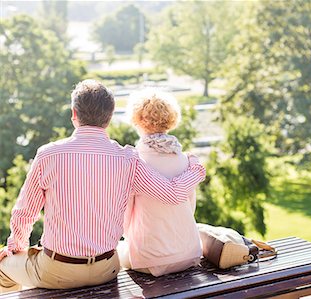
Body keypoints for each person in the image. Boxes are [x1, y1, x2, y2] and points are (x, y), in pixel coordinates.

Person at [0, 80, 206, 292]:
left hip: (57, 270)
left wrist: (15, 246)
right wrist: (197, 169)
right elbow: (172, 194)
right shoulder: (128, 158)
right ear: (109, 118)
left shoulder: (48, 154)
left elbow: (25, 213)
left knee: (3, 265)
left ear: (74, 113)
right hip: (107, 269)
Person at [118, 90, 202, 277]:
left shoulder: (135, 162)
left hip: (150, 260)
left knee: (116, 252)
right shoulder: (187, 160)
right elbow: (190, 207)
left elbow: (125, 219)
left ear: (137, 120)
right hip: (189, 253)